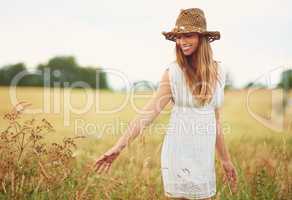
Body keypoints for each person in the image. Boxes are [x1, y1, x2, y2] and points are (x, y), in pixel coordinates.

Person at [93, 8, 237, 200]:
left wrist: (225, 160)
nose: (182, 42)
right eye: (178, 37)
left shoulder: (220, 71)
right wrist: (118, 147)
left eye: (188, 35)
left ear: (201, 38)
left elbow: (215, 121)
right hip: (178, 153)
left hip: (203, 157)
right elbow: (147, 114)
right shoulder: (174, 73)